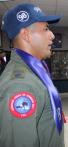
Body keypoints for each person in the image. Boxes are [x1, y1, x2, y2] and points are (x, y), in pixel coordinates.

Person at [0, 3, 64, 147]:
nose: (52, 35)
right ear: (26, 35)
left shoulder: (35, 70)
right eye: (46, 29)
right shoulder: (20, 85)